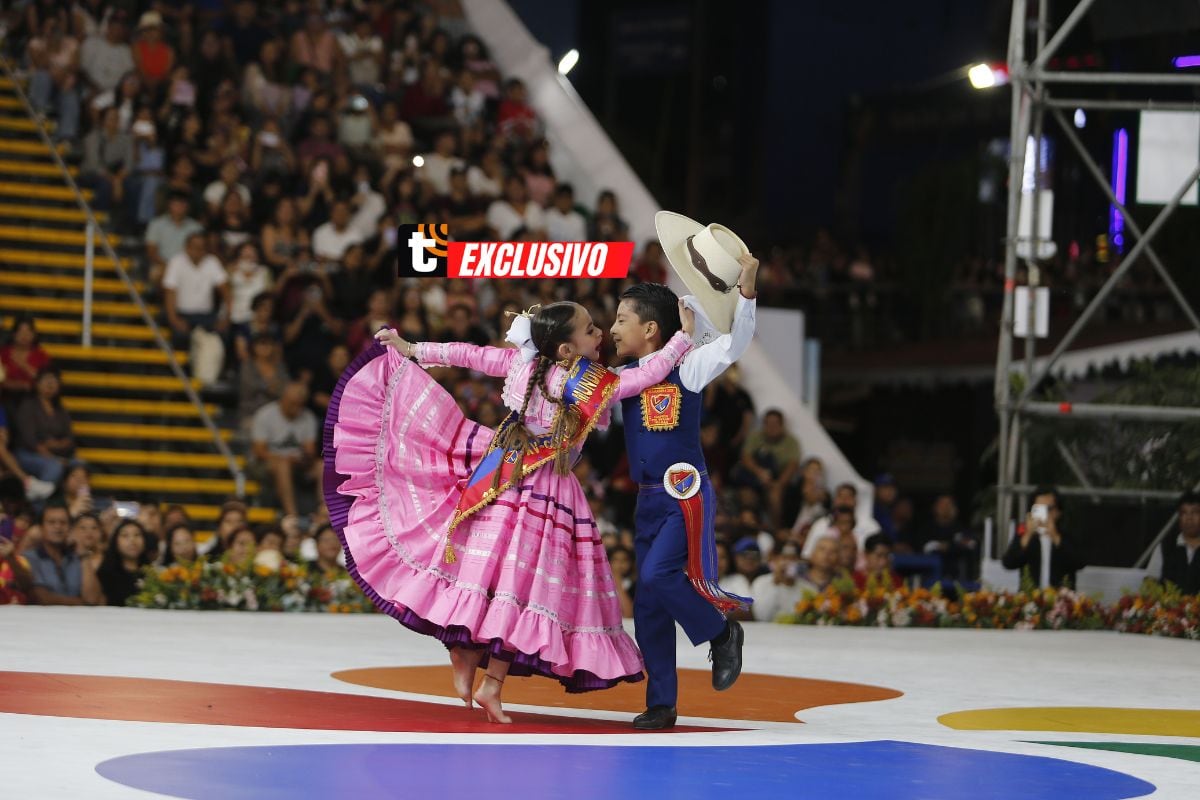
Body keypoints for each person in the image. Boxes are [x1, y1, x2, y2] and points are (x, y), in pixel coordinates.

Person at [327, 299, 694, 724]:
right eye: (590, 329)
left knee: (486, 576)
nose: (600, 334)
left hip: (501, 474)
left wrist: (412, 348)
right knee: (524, 590)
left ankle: (464, 656)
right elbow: (647, 375)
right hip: (545, 493)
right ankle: (491, 685)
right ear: (566, 350)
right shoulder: (577, 381)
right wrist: (682, 337)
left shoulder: (524, 365)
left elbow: (469, 354)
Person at [609, 243, 759, 730]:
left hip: (684, 495)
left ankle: (720, 634)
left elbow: (734, 344)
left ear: (650, 329)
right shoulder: (619, 380)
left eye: (620, 320)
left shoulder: (687, 367)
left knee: (655, 577)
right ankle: (662, 703)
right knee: (649, 603)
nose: (612, 329)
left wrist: (746, 289)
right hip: (646, 500)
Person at [251, 383, 320, 518]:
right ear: (283, 399)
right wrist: (283, 458)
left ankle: (324, 512)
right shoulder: (265, 414)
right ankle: (291, 514)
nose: (296, 408)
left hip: (297, 462)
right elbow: (259, 451)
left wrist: (303, 458)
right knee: (283, 465)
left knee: (322, 466)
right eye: (293, 404)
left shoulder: (308, 417)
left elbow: (310, 450)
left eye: (300, 404)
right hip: (266, 463)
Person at [1002, 488, 1085, 588]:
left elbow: (1080, 562)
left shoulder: (1067, 535)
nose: (1044, 514)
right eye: (1039, 509)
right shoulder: (1024, 534)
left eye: (1048, 509)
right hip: (1029, 598)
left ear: (1058, 512)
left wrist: (1055, 536)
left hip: (1062, 599)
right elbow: (1008, 563)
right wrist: (1028, 535)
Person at [25, 503, 104, 605]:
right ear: (41, 528)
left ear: (70, 528)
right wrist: (82, 603)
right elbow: (42, 598)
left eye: (63, 522)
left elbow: (92, 599)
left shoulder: (77, 558)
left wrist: (84, 556)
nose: (58, 527)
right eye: (51, 522)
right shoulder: (29, 558)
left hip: (77, 620)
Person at [14, 368, 75, 487]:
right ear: (37, 383)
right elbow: (29, 439)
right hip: (28, 453)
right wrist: (51, 455)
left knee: (79, 465)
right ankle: (39, 502)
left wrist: (57, 445)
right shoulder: (28, 406)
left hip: (58, 453)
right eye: (47, 381)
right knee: (54, 466)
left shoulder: (60, 410)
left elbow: (70, 438)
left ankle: (77, 502)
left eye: (54, 382)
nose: (50, 385)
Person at [1147, 491, 1200, 595]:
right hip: (1168, 609)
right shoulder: (1164, 547)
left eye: (1195, 512)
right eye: (1184, 513)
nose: (1189, 518)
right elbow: (1150, 581)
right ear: (1179, 517)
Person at [97, 519, 152, 606]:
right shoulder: (105, 573)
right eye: (125, 535)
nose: (132, 540)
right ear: (115, 542)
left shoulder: (152, 574)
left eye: (137, 535)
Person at [751, 541, 805, 622]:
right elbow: (761, 616)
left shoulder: (808, 588)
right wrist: (776, 583)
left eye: (792, 558)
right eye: (784, 558)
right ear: (774, 560)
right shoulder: (760, 582)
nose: (787, 563)